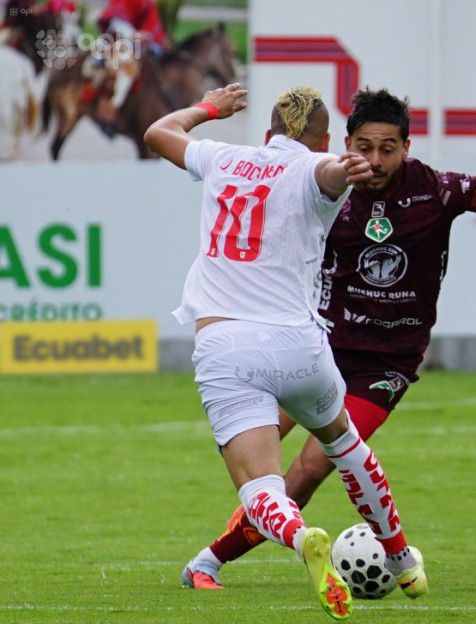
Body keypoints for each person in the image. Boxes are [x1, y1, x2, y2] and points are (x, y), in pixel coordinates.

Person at [180, 86, 476, 589]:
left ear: (406, 147)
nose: (374, 159)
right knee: (251, 454)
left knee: (308, 469)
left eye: (386, 148)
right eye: (363, 147)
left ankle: (210, 561)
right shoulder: (324, 185)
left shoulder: (434, 189)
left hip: (385, 364)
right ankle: (338, 553)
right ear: (343, 144)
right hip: (318, 344)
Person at [143, 83, 431, 621]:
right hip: (303, 347)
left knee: (261, 486)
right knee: (345, 444)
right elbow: (326, 175)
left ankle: (302, 540)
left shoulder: (225, 155)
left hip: (229, 347)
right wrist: (346, 171)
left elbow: (159, 133)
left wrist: (209, 109)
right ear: (325, 138)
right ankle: (402, 560)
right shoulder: (320, 168)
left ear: (268, 131)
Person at [93, 0, 168, 136]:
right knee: (126, 73)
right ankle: (109, 114)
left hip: (142, 46)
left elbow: (152, 24)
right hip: (118, 42)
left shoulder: (149, 3)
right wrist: (137, 35)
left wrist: (159, 39)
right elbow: (116, 24)